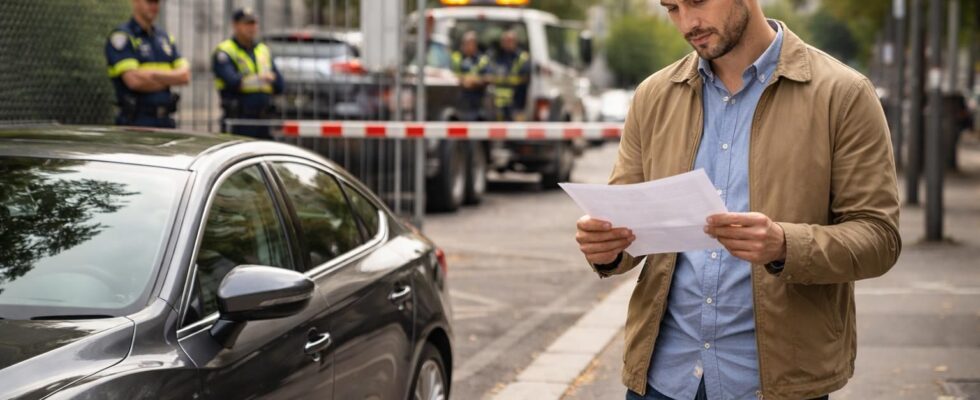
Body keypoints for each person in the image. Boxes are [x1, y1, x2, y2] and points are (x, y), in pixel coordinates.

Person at [573, 0, 901, 399]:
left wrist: (784, 244)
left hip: (777, 380)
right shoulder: (653, 96)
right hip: (664, 377)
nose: (687, 23)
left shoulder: (843, 94)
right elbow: (625, 222)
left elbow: (879, 237)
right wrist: (605, 248)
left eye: (696, 2)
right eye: (672, 8)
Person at [105, 0, 190, 128]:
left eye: (157, 2)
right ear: (135, 2)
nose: (154, 6)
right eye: (149, 2)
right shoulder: (123, 36)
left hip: (165, 121)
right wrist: (170, 78)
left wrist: (152, 75)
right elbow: (134, 81)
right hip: (135, 122)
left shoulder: (165, 38)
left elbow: (185, 76)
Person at [212, 8, 284, 139]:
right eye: (247, 24)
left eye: (254, 23)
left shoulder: (263, 50)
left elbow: (280, 84)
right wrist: (262, 78)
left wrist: (247, 81)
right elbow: (233, 82)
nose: (252, 27)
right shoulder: (225, 51)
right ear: (235, 25)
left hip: (263, 120)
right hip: (239, 120)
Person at [487, 30, 530, 122]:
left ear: (516, 42)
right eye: (504, 40)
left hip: (517, 103)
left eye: (510, 40)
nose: (507, 43)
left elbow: (525, 77)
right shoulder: (495, 57)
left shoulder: (523, 58)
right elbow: (489, 73)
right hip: (496, 104)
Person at [451, 31, 490, 121]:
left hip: (477, 104)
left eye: (471, 43)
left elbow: (489, 77)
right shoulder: (456, 57)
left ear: (475, 45)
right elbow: (449, 74)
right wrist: (462, 80)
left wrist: (474, 82)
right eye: (466, 43)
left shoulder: (482, 60)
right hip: (457, 104)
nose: (468, 46)